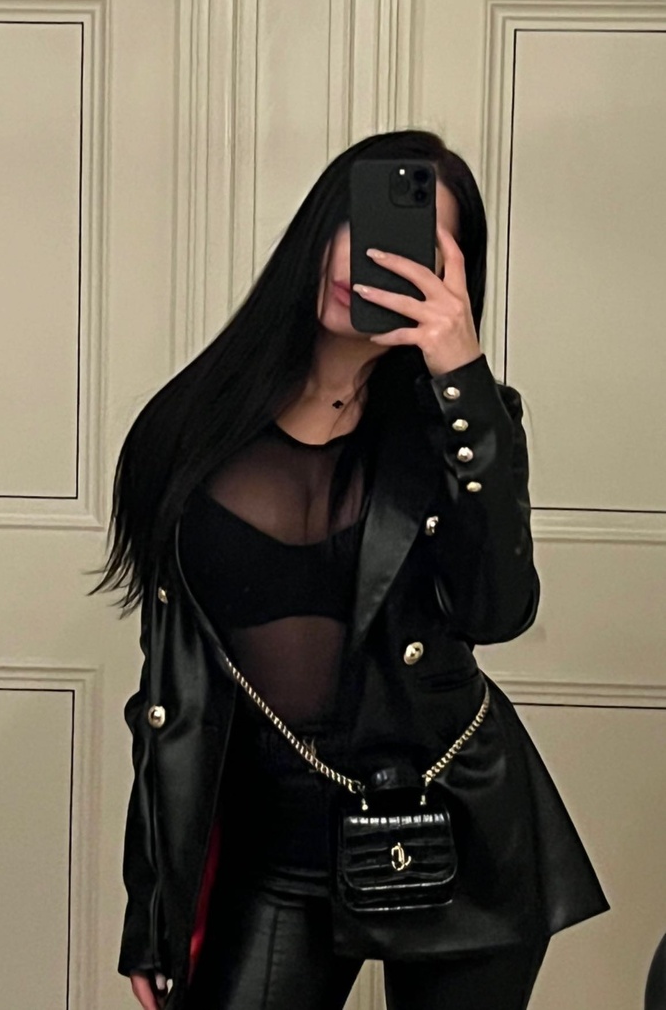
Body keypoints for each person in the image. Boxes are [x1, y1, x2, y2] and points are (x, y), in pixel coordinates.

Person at [92, 129, 609, 1010]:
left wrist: (461, 376)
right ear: (318, 231)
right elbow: (169, 692)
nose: (366, 262)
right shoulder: (186, 427)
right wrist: (155, 905)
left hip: (461, 829)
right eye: (354, 227)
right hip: (278, 842)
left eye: (414, 247)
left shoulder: (459, 425)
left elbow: (496, 609)